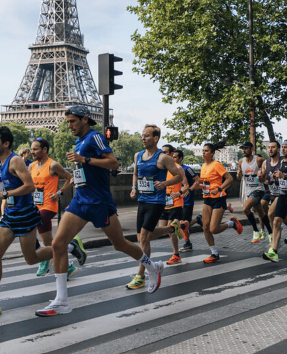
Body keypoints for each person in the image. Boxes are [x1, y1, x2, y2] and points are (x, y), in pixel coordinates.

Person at [34, 107, 165, 317]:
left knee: (119, 243)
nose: (69, 126)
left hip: (98, 201)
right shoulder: (80, 141)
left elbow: (113, 163)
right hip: (81, 199)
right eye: (67, 122)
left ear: (85, 119)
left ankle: (152, 266)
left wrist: (84, 160)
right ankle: (62, 300)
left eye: (72, 121)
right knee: (58, 244)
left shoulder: (94, 137)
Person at [0, 126, 68, 318]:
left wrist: (4, 194)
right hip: (10, 215)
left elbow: (29, 186)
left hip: (25, 214)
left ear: (6, 143)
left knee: (31, 259)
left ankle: (68, 247)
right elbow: (6, 186)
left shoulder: (15, 161)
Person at [126, 127, 184, 289]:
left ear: (156, 138)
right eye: (142, 135)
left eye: (146, 136)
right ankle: (171, 228)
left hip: (157, 201)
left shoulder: (163, 158)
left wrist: (164, 183)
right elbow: (136, 174)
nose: (143, 138)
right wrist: (133, 187)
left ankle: (141, 275)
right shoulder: (138, 155)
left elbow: (179, 175)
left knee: (144, 238)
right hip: (143, 200)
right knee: (142, 237)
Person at [30, 137, 75, 277]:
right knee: (48, 242)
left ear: (45, 150)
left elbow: (71, 178)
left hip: (49, 206)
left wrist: (59, 192)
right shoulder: (31, 166)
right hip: (36, 205)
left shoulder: (53, 165)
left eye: (36, 149)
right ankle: (68, 266)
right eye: (31, 149)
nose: (33, 152)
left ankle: (43, 257)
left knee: (30, 225)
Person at [199, 142, 241, 264]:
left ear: (212, 153)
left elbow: (230, 178)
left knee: (213, 229)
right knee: (205, 227)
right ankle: (214, 254)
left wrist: (219, 188)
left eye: (206, 151)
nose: (203, 153)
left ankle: (231, 223)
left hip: (218, 198)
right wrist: (199, 186)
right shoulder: (203, 166)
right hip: (207, 198)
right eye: (203, 150)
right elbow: (206, 183)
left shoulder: (217, 165)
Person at [237, 141, 272, 243]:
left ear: (251, 149)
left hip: (258, 190)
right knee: (261, 213)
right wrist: (238, 174)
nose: (244, 150)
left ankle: (255, 231)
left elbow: (269, 167)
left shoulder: (259, 160)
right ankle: (270, 233)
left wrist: (262, 173)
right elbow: (239, 177)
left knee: (245, 208)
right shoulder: (241, 162)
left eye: (246, 148)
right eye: (242, 148)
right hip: (249, 190)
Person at [161, 146, 192, 264]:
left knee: (170, 230)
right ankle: (182, 226)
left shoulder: (178, 168)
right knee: (163, 230)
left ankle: (176, 254)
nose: (162, 154)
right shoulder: (161, 168)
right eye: (161, 152)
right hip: (164, 203)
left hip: (176, 203)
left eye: (165, 152)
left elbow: (186, 185)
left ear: (171, 154)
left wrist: (179, 193)